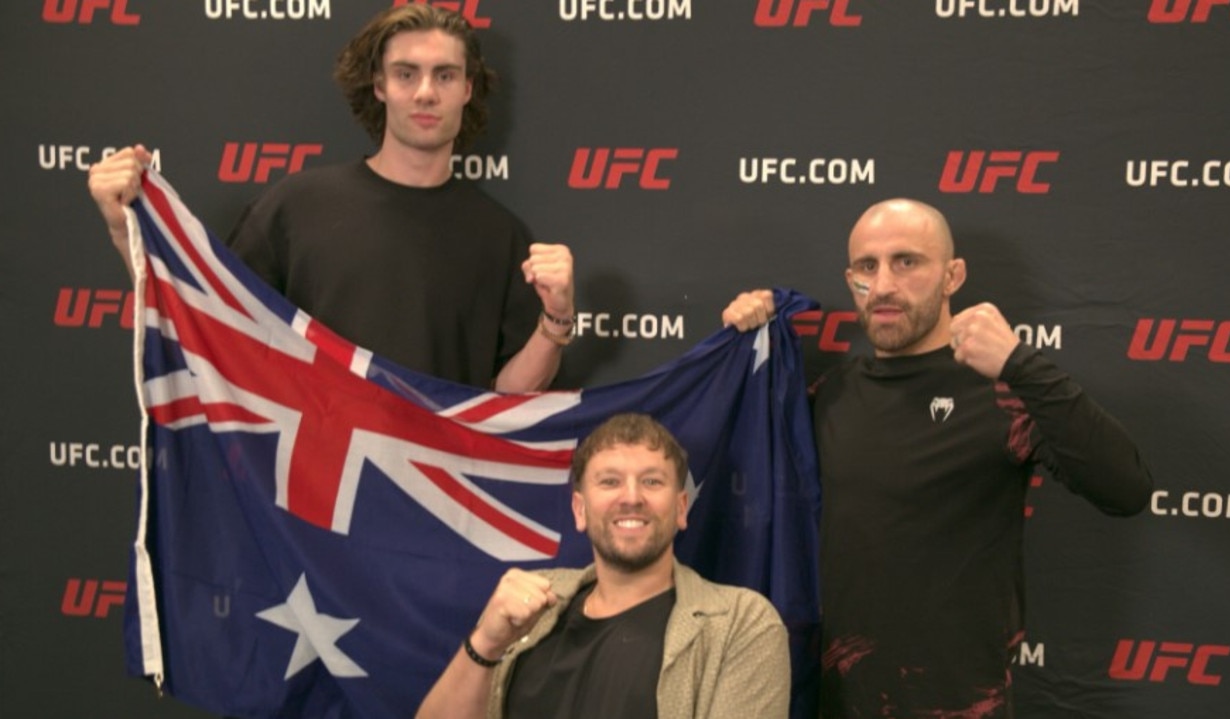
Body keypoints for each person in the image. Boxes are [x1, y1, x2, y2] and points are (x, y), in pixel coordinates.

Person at [721, 199, 1153, 718]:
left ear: (953, 276)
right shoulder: (825, 395)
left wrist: (1020, 363)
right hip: (834, 702)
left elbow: (1126, 488)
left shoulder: (1006, 390)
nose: (883, 285)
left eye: (907, 262)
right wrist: (745, 341)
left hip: (959, 704)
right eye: (867, 267)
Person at [87, 4, 573, 392]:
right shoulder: (297, 207)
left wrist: (556, 319)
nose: (426, 93)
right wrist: (120, 227)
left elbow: (508, 398)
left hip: (433, 501)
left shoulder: (499, 234)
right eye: (406, 74)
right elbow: (209, 328)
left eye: (444, 76)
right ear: (379, 85)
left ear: (468, 89)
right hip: (313, 493)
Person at [415, 413, 791, 719]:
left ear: (680, 509)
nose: (631, 497)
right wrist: (486, 644)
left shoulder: (740, 623)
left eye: (652, 481)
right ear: (580, 510)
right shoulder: (530, 605)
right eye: (610, 481)